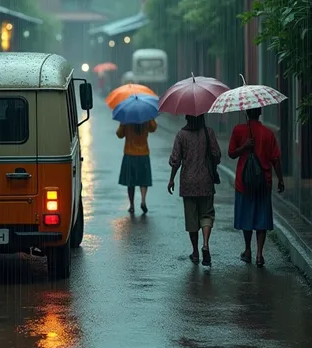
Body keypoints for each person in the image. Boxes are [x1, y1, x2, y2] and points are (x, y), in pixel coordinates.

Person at [228, 107, 284, 267]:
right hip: (263, 183)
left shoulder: (238, 130)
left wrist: (244, 147)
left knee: (246, 217)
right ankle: (260, 254)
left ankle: (248, 250)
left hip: (243, 183)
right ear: (260, 113)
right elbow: (276, 159)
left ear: (246, 113)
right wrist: (280, 179)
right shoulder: (268, 133)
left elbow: (231, 153)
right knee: (261, 217)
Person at [168, 114, 221, 266]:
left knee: (192, 218)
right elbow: (217, 156)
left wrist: (171, 179)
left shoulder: (181, 135)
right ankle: (205, 244)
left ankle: (196, 252)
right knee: (206, 214)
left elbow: (175, 160)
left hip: (188, 183)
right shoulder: (208, 132)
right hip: (206, 182)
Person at [117, 119, 157, 214]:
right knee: (143, 180)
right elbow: (153, 128)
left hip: (130, 154)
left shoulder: (127, 118)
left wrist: (123, 124)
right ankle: (143, 200)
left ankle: (131, 205)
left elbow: (119, 134)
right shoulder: (146, 117)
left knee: (130, 182)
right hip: (143, 153)